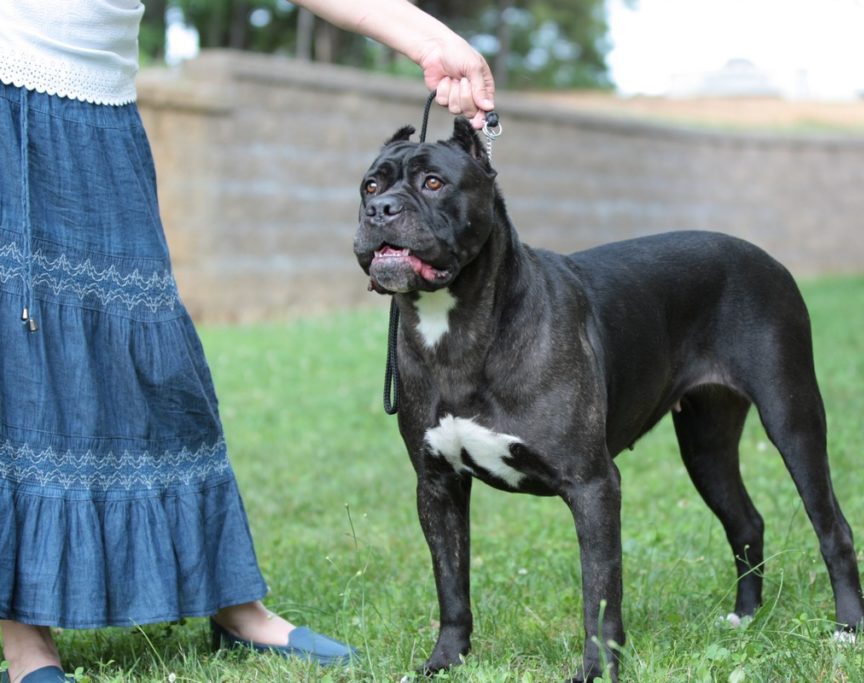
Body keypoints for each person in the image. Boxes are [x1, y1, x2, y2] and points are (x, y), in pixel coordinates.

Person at [0, 0, 495, 681]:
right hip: (8, 99)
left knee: (157, 358)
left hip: (102, 113)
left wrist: (432, 40)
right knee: (19, 350)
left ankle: (233, 602)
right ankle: (27, 645)